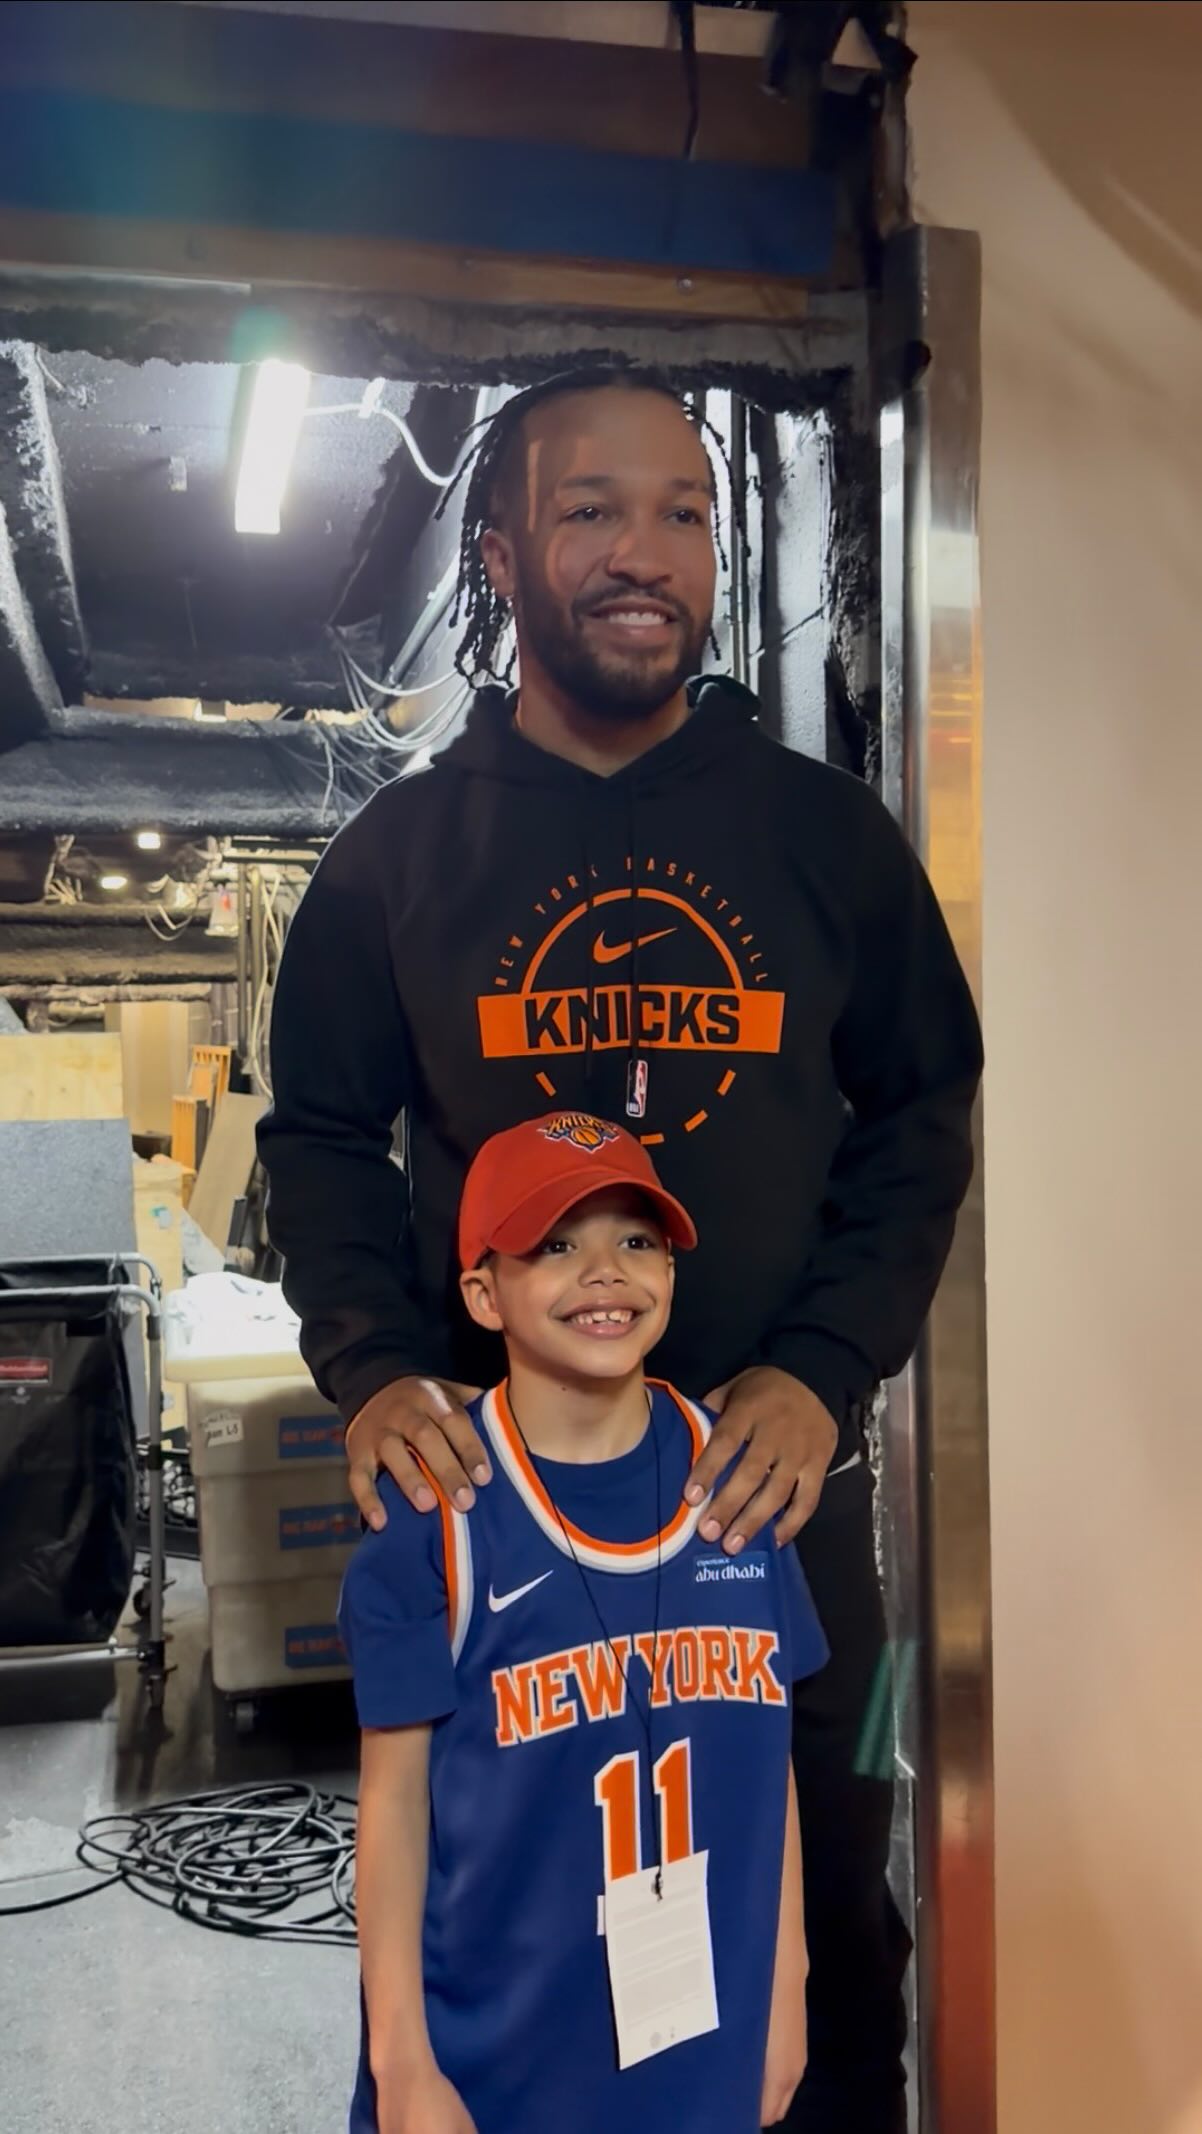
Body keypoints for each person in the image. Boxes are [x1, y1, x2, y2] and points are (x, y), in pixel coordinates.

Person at [258, 366, 983, 2133]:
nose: (642, 553)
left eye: (681, 513)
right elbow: (319, 1141)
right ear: (502, 550)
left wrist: (819, 1373)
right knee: (502, 1954)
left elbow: (922, 1111)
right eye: (590, 510)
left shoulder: (825, 840)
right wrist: (371, 1369)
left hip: (763, 1514)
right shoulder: (398, 857)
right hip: (504, 1532)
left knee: (817, 1945)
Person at [339, 1111, 830, 2134]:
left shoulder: (736, 1479)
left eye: (635, 1240)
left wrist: (784, 1978)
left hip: (703, 2039)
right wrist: (401, 2064)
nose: (603, 1272)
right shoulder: (434, 1515)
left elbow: (766, 1756)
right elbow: (391, 1809)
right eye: (555, 1245)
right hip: (494, 2062)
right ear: (484, 1291)